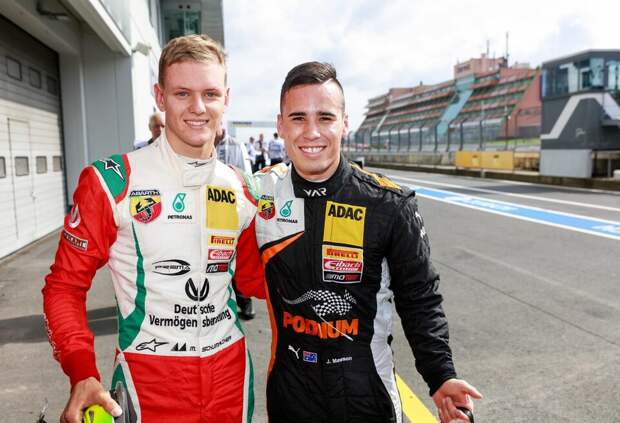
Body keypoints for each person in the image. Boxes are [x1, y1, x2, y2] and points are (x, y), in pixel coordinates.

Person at [42, 34, 264, 423]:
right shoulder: (112, 181)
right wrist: (81, 371)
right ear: (160, 97)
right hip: (148, 385)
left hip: (231, 381)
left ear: (226, 99)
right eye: (182, 94)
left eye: (210, 94)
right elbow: (63, 287)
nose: (198, 108)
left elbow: (257, 280)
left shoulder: (243, 188)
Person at [253, 62, 482, 423]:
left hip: (367, 397)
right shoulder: (257, 195)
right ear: (280, 125)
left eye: (325, 117)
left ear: (344, 123)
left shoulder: (388, 204)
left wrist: (440, 374)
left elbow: (419, 298)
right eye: (298, 118)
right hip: (290, 397)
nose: (312, 132)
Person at [214, 127, 256, 320]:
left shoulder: (237, 146)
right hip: (207, 210)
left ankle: (245, 302)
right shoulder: (200, 143)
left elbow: (248, 178)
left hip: (231, 209)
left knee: (235, 257)